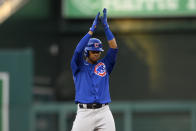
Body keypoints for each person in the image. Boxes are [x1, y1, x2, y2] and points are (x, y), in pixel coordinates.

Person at [71, 8, 118, 131]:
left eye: (98, 51)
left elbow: (114, 48)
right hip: (85, 113)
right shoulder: (78, 65)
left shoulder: (104, 64)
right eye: (94, 51)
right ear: (87, 52)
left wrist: (106, 28)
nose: (97, 53)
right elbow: (77, 51)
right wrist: (91, 31)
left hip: (104, 112)